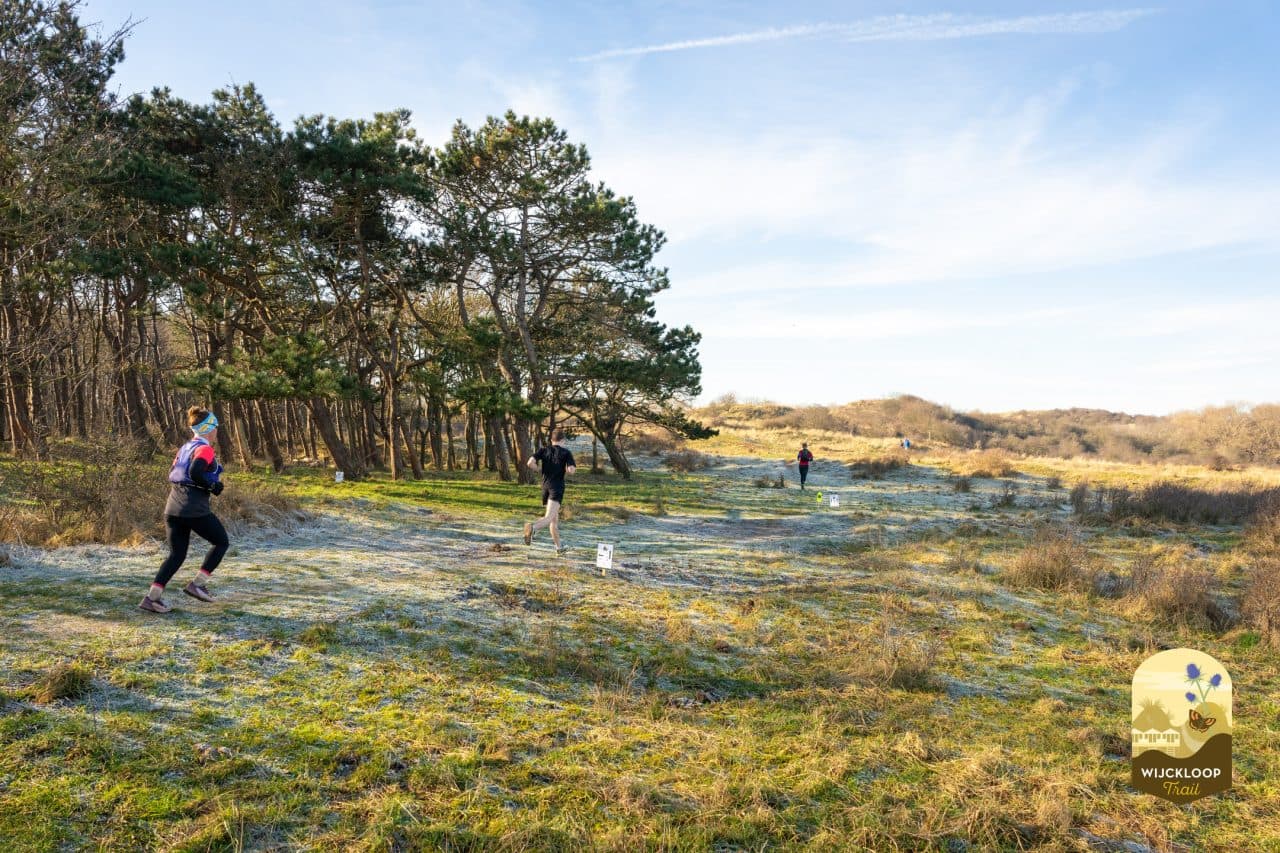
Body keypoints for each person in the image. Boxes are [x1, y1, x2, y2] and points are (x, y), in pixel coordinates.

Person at [139, 406, 229, 613]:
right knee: (221, 542)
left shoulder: (185, 447)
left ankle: (151, 599)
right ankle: (197, 585)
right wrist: (212, 486)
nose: (217, 431)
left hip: (172, 508)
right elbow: (195, 471)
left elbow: (177, 472)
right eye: (215, 427)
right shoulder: (205, 449)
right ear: (208, 429)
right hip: (193, 508)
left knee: (176, 555)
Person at [523, 429, 576, 552]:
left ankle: (559, 547)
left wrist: (539, 470)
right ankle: (532, 528)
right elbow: (572, 470)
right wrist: (569, 469)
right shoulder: (566, 453)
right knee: (549, 518)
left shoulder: (543, 450)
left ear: (552, 440)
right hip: (556, 488)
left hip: (545, 487)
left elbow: (530, 463)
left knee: (554, 520)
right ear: (563, 440)